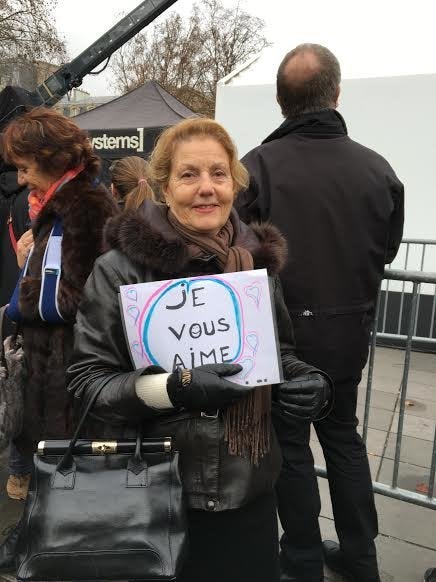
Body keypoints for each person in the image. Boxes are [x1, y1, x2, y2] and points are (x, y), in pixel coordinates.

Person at [67, 117, 333, 582]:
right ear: (163, 188)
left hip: (246, 488)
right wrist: (173, 388)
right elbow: (88, 382)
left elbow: (277, 353)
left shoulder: (254, 266)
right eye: (189, 175)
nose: (206, 188)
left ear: (235, 184)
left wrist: (308, 381)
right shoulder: (120, 271)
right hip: (154, 490)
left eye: (218, 173)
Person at [236, 44, 404, 582]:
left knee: (291, 449)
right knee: (343, 439)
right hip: (348, 334)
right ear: (335, 92)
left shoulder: (256, 168)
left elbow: (235, 256)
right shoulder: (378, 169)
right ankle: (360, 557)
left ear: (282, 102)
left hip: (281, 339)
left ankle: (303, 559)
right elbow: (388, 249)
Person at [0, 106, 118, 574]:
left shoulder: (84, 207)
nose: (22, 177)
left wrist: (19, 303)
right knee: (53, 462)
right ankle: (43, 537)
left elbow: (84, 296)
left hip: (71, 369)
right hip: (53, 367)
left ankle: (57, 545)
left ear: (49, 157)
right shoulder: (62, 204)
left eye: (25, 166)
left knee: (67, 464)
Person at [0, 159, 34, 501]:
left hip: (15, 299)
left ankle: (19, 474)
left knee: (18, 388)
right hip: (27, 299)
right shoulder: (34, 200)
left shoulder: (20, 200)